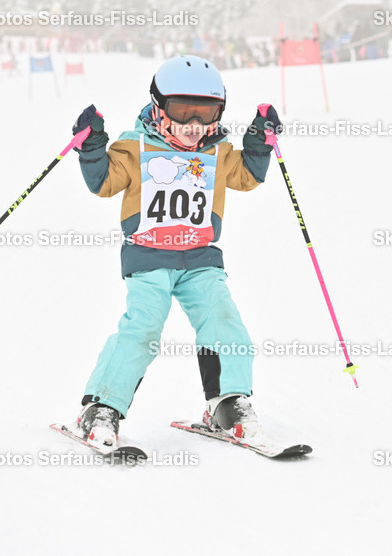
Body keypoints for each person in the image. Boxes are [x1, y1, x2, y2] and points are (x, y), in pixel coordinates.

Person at [68, 54, 282, 447]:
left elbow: (248, 176)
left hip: (200, 257)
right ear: (158, 106)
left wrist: (258, 142)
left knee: (224, 321)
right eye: (182, 112)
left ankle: (228, 402)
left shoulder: (216, 151)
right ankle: (101, 408)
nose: (194, 126)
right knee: (143, 329)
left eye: (206, 113)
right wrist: (93, 146)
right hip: (149, 256)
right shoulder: (135, 146)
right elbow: (104, 183)